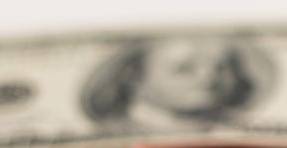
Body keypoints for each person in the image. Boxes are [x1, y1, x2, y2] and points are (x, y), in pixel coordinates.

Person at [81, 37, 262, 129]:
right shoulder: (115, 127)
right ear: (133, 78)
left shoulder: (233, 126)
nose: (208, 79)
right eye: (184, 69)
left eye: (220, 68)